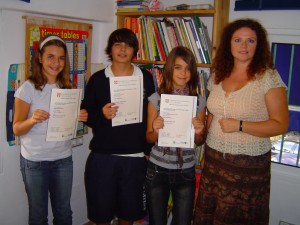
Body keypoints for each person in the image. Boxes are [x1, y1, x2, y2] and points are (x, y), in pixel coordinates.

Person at [193, 18, 289, 225]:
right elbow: (213, 116)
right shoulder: (217, 74)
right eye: (237, 40)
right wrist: (203, 145)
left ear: (259, 45)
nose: (243, 46)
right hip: (214, 160)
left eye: (250, 41)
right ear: (229, 43)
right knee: (208, 216)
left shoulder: (268, 77)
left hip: (248, 167)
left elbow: (281, 124)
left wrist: (241, 125)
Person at [81, 28, 155, 225]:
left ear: (134, 50)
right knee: (101, 216)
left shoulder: (145, 77)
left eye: (128, 45)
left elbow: (151, 114)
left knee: (128, 216)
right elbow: (86, 115)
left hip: (135, 158)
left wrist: (148, 150)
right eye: (117, 44)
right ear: (110, 49)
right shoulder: (97, 79)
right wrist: (102, 115)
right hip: (103, 157)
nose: (123, 49)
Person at [13, 35, 88, 225]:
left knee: (64, 213)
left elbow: (66, 125)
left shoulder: (67, 87)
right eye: (51, 57)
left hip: (63, 159)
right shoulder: (27, 89)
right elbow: (17, 129)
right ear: (40, 57)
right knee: (38, 216)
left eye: (61, 58)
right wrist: (31, 120)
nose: (56, 63)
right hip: (35, 161)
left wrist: (79, 118)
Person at [145, 46, 207, 225]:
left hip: (185, 169)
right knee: (157, 221)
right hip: (157, 169)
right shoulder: (156, 99)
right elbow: (148, 138)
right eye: (178, 67)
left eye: (188, 68)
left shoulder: (199, 101)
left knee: (183, 221)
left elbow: (199, 141)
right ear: (170, 69)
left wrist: (199, 130)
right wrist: (155, 130)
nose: (183, 73)